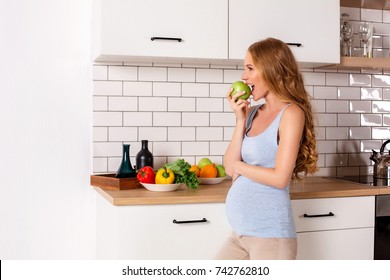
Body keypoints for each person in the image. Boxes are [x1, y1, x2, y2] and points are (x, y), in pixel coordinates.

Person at [216, 38, 318, 260]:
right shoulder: (253, 113)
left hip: (271, 237)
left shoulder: (291, 114)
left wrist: (241, 167)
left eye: (250, 68)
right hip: (240, 235)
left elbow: (280, 178)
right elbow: (229, 168)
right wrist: (240, 120)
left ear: (272, 70)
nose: (244, 76)